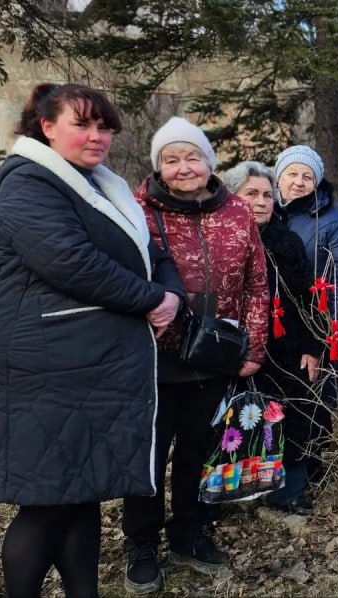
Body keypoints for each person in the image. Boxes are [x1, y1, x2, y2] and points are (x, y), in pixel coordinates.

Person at [0, 83, 183, 598]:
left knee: (81, 494)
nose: (97, 137)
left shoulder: (99, 186)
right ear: (47, 127)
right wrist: (151, 299)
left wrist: (171, 291)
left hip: (85, 366)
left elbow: (151, 252)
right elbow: (72, 262)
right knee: (45, 506)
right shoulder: (29, 184)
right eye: (82, 124)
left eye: (104, 126)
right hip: (39, 368)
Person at [124, 117, 269, 593]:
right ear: (158, 167)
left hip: (215, 354)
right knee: (147, 455)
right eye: (172, 159)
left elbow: (257, 284)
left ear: (210, 165)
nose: (184, 167)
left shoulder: (237, 213)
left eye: (193, 158)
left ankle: (188, 532)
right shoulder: (136, 211)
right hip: (152, 357)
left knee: (196, 450)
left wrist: (252, 345)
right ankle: (141, 543)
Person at [222, 161, 324, 515]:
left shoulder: (287, 240)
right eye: (252, 193)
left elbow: (307, 298)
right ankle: (234, 490)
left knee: (291, 415)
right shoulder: (221, 239)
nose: (262, 201)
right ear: (233, 197)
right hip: (233, 347)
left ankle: (289, 489)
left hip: (285, 347)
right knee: (236, 418)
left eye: (267, 194)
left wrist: (312, 347)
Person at [274, 145, 338, 300]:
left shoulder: (333, 219)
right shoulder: (265, 213)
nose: (299, 182)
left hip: (314, 315)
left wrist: (333, 321)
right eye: (292, 174)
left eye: (307, 177)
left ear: (316, 184)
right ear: (279, 178)